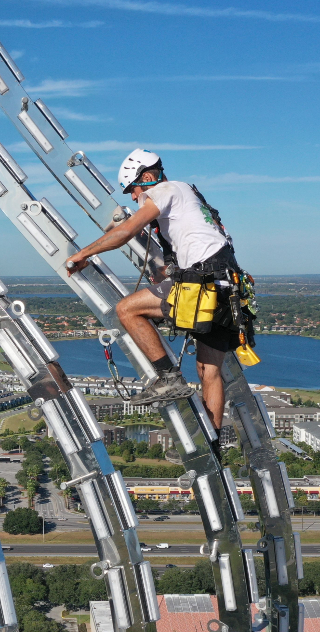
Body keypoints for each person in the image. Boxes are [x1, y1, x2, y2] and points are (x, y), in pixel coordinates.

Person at [66, 148, 247, 429]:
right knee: (208, 372)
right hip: (228, 290)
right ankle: (214, 439)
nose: (135, 197)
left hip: (201, 288)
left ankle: (167, 377)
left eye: (134, 190)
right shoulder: (190, 194)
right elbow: (196, 244)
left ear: (148, 177)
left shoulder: (163, 191)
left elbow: (125, 232)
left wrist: (83, 254)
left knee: (127, 310)